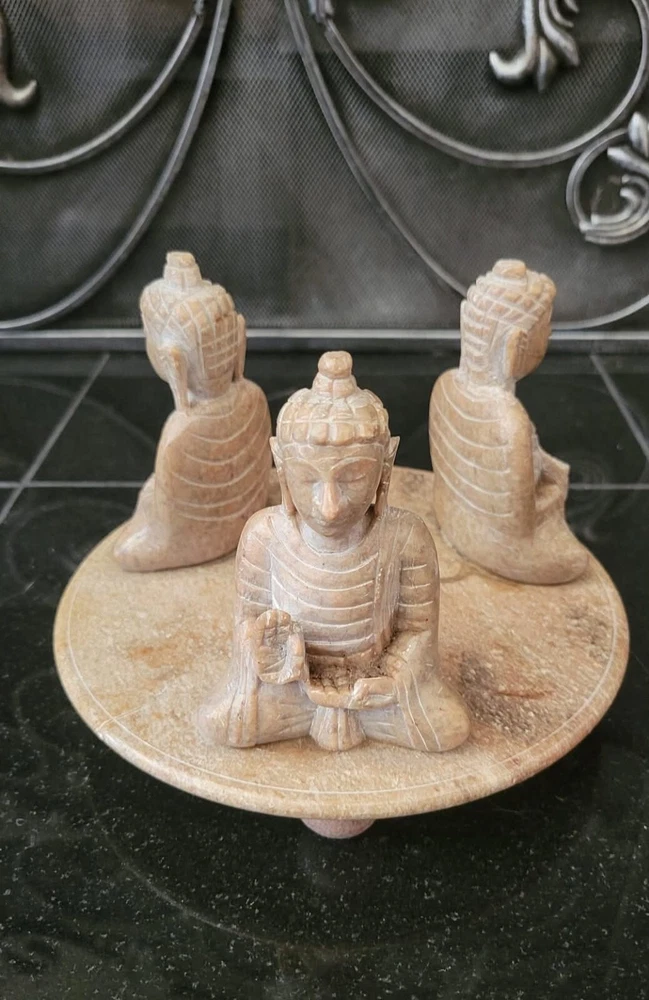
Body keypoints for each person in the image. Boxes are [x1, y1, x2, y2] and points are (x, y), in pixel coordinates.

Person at [201, 351, 470, 753]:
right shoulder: (263, 535)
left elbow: (417, 631)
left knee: (447, 727)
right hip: (292, 687)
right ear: (281, 465)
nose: (329, 506)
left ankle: (352, 714)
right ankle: (320, 714)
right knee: (224, 724)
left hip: (374, 691)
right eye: (307, 477)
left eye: (353, 477)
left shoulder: (406, 537)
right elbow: (247, 624)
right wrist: (268, 650)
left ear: (385, 465)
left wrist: (390, 679)